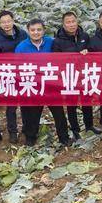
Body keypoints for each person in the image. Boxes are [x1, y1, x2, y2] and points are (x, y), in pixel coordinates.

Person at [15, 19, 71, 147]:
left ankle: (64, 137)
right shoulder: (21, 47)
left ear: (44, 30)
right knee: (33, 113)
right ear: (28, 31)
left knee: (58, 112)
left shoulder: (51, 42)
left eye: (39, 30)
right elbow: (17, 68)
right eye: (33, 30)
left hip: (51, 84)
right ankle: (30, 137)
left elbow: (64, 55)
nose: (36, 32)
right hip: (33, 85)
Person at [51, 11, 95, 140]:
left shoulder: (84, 36)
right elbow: (56, 60)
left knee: (87, 101)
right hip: (69, 76)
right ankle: (75, 129)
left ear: (77, 22)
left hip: (84, 74)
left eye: (73, 21)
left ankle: (89, 125)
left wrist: (88, 52)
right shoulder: (58, 41)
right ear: (63, 24)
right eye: (68, 22)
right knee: (72, 104)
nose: (71, 25)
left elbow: (91, 51)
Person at [0, 10, 28, 144]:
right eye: (3, 22)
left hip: (23, 74)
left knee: (26, 103)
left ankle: (27, 127)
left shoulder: (23, 34)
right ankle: (12, 132)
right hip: (8, 76)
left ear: (13, 20)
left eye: (8, 21)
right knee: (11, 106)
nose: (6, 24)